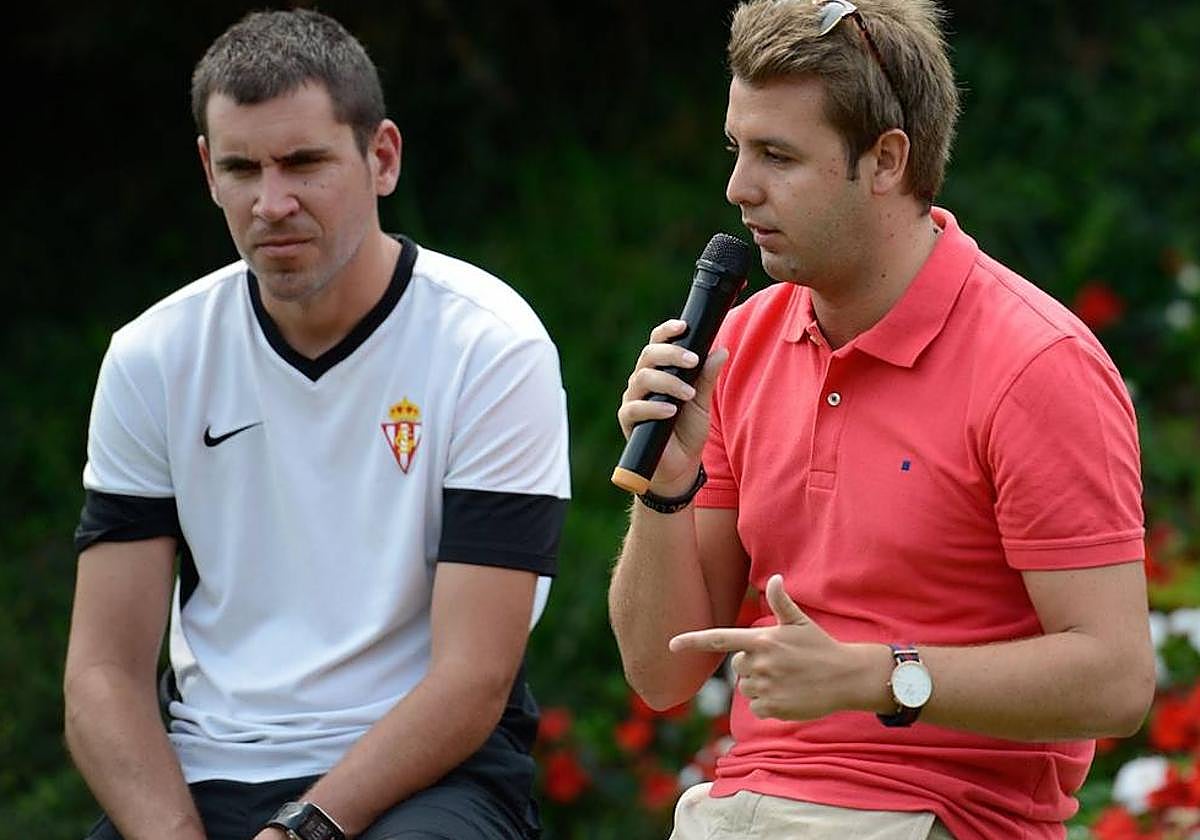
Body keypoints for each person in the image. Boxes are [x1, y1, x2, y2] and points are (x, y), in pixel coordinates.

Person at [609, 1, 1153, 838]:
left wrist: (880, 677)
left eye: (777, 156)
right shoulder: (743, 341)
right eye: (738, 149)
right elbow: (659, 674)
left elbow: (1116, 680)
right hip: (737, 808)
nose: (738, 188)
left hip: (937, 816)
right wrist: (667, 487)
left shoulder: (1036, 366)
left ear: (887, 160)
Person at [64, 9, 569, 840]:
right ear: (207, 170)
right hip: (205, 771)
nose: (272, 202)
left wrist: (301, 831)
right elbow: (101, 675)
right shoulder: (152, 356)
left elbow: (475, 678)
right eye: (241, 168)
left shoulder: (489, 344)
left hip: (428, 781)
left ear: (382, 158)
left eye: (304, 163)